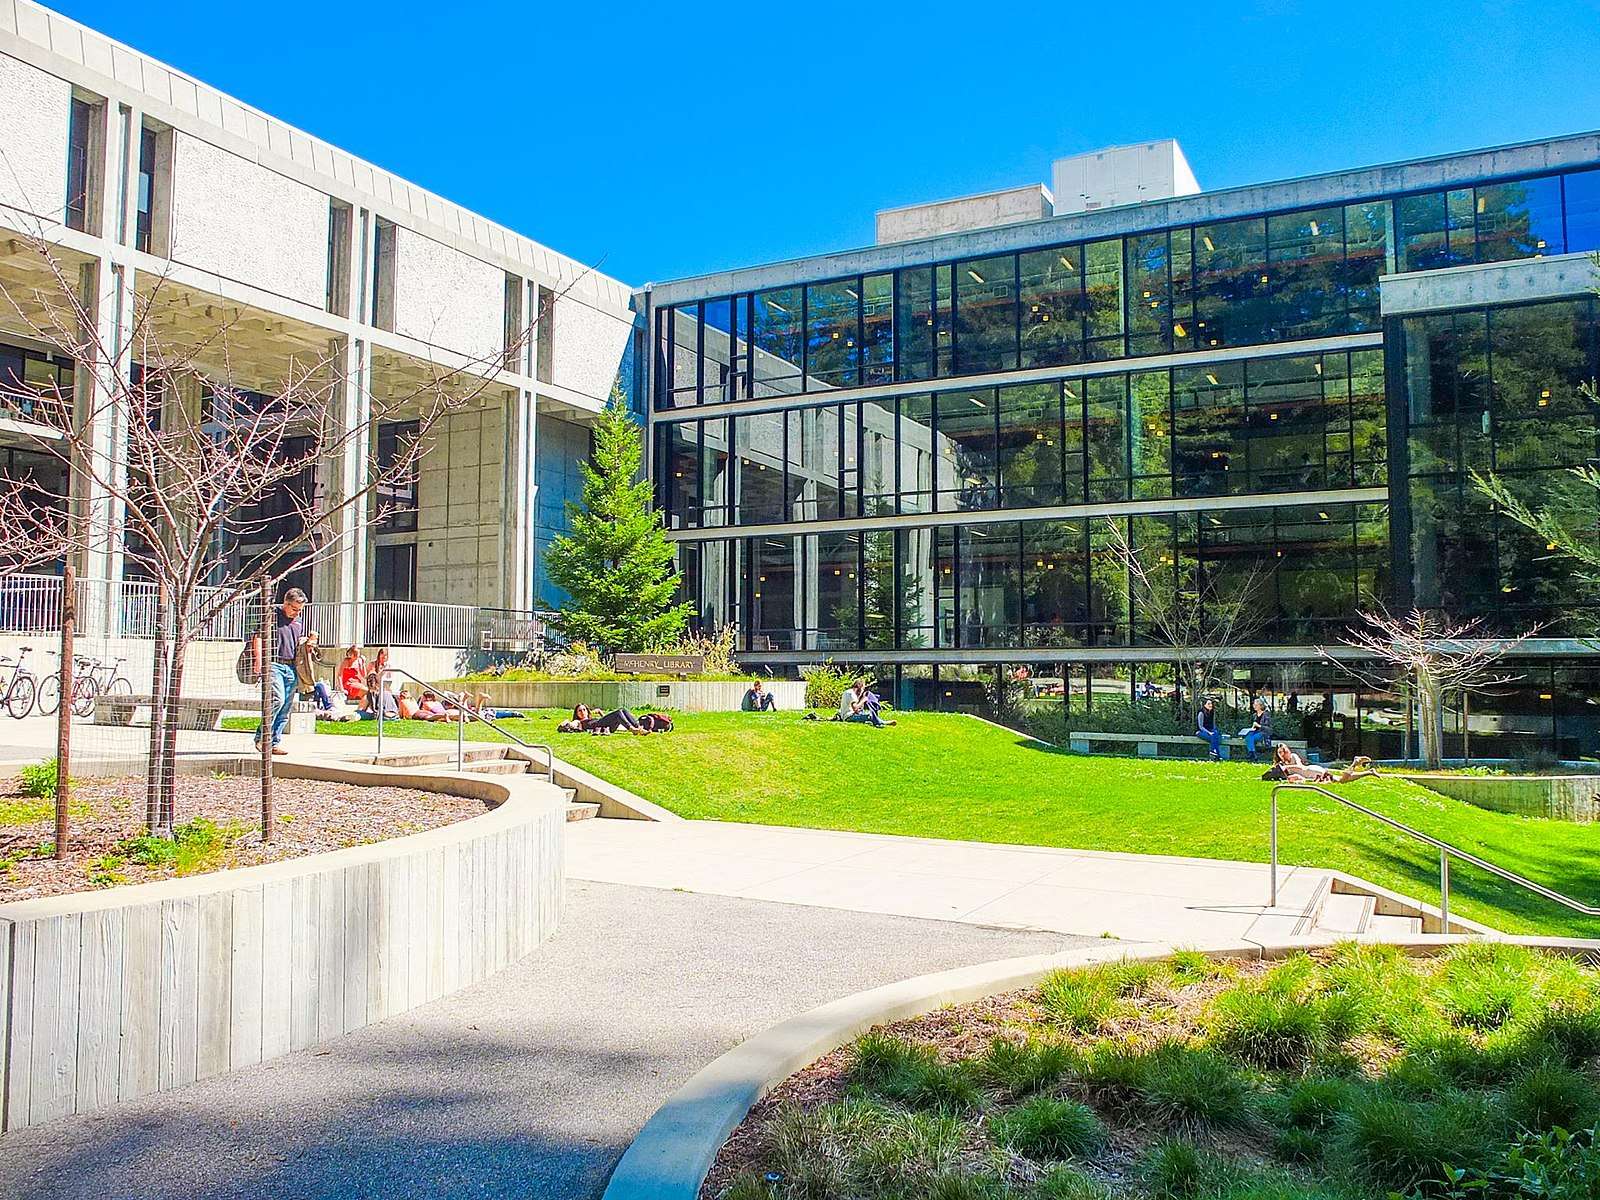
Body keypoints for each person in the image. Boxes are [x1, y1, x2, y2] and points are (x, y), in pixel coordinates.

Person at [250, 587, 314, 755]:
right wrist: (259, 661)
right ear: (286, 603)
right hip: (274, 663)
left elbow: (297, 642)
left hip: (292, 667)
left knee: (286, 707)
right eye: (294, 609)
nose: (296, 613)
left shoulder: (299, 621)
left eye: (300, 610)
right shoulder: (272, 615)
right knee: (277, 699)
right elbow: (257, 637)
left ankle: (274, 742)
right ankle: (261, 737)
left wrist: (309, 644)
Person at [1269, 743, 1375, 784]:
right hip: (1311, 775)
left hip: (1312, 772)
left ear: (1287, 751)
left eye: (1283, 752)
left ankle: (1355, 763)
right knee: (1341, 779)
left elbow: (1300, 767)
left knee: (1341, 780)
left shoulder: (1293, 756)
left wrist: (1287, 766)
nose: (1282, 754)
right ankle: (1369, 772)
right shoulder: (1281, 764)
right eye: (1279, 752)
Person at [1238, 698, 1274, 762]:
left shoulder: (1266, 715)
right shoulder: (1254, 715)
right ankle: (1253, 754)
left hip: (1263, 733)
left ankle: (1252, 754)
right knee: (1248, 737)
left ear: (1260, 706)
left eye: (1256, 705)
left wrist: (1259, 726)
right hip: (1255, 732)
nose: (1254, 706)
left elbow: (1269, 729)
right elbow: (1254, 727)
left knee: (1250, 738)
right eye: (1254, 705)